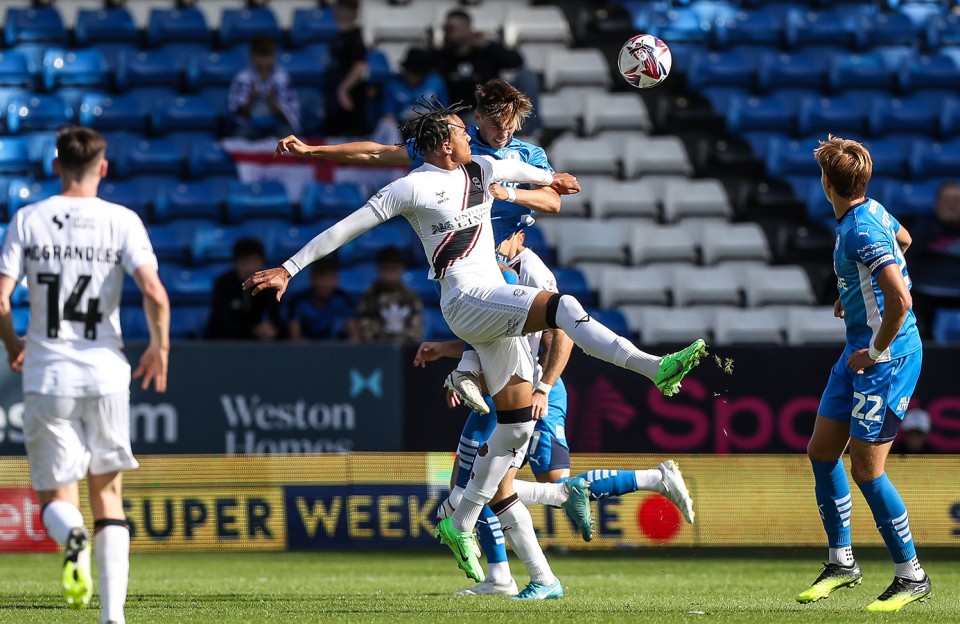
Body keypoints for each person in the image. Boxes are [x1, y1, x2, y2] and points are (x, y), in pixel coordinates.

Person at [245, 101, 706, 595]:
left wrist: (555, 180)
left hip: (488, 311)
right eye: (464, 132)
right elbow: (346, 228)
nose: (471, 137)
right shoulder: (412, 186)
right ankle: (655, 367)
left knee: (514, 430)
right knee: (563, 306)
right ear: (445, 144)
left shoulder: (480, 168)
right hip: (466, 300)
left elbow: (522, 169)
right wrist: (289, 268)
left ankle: (460, 522)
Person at [413, 227, 695, 596]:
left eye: (501, 231)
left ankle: (651, 480)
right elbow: (483, 329)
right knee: (484, 486)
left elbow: (559, 332)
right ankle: (507, 574)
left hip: (525, 387)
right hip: (500, 385)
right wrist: (456, 359)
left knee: (522, 484)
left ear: (519, 235)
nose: (492, 238)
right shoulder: (478, 262)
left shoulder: (528, 270)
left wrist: (543, 387)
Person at [275, 78, 574, 411]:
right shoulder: (453, 141)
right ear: (478, 118)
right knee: (513, 296)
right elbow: (379, 152)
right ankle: (470, 373)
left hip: (511, 252)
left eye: (511, 126)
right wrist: (312, 150)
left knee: (556, 315)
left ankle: (505, 387)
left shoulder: (528, 154)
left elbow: (553, 200)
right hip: (467, 262)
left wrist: (509, 193)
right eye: (497, 125)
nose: (504, 133)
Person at [0, 126, 170, 624]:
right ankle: (112, 618)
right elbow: (156, 294)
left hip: (48, 371)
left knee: (58, 496)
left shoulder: (28, 218)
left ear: (56, 167)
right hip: (106, 371)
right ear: (103, 167)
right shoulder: (122, 221)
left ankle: (71, 537)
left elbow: (0, 299)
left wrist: (15, 346)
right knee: (108, 495)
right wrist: (159, 349)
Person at [796, 135, 931, 612]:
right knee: (821, 451)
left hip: (885, 358)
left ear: (826, 183)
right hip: (860, 350)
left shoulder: (858, 230)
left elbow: (901, 301)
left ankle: (910, 573)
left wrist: (876, 350)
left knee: (867, 470)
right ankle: (841, 562)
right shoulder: (870, 212)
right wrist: (856, 289)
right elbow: (905, 240)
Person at [430, 9, 524, 111]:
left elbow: (516, 61)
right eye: (445, 29)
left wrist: (489, 45)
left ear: (466, 30)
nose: (446, 33)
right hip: (451, 113)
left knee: (527, 75)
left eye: (451, 29)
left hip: (484, 113)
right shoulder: (441, 56)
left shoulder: (485, 54)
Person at [905, 181, 960, 336]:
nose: (952, 206)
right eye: (947, 201)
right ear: (937, 204)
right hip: (924, 291)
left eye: (956, 201)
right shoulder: (918, 229)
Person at [206, 238, 282, 341]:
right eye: (244, 262)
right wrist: (252, 331)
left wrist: (270, 330)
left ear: (262, 263)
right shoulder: (223, 284)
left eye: (254, 262)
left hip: (258, 347)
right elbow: (220, 322)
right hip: (225, 344)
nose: (249, 268)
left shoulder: (269, 286)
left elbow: (276, 321)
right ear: (235, 263)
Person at [227, 36, 301, 139]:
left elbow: (289, 115)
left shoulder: (282, 77)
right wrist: (251, 97)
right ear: (252, 56)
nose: (264, 60)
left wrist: (273, 101)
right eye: (260, 55)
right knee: (240, 135)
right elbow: (238, 114)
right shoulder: (243, 77)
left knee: (289, 137)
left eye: (267, 55)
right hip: (251, 124)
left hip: (277, 124)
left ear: (274, 56)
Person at [357, 246, 422, 343]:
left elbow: (416, 330)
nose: (390, 274)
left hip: (406, 351)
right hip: (377, 350)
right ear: (379, 269)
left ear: (402, 269)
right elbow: (366, 330)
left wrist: (402, 341)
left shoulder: (410, 297)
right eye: (386, 268)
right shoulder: (370, 297)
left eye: (394, 269)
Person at [286, 254, 357, 341]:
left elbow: (354, 336)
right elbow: (295, 337)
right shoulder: (299, 301)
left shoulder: (342, 299)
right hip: (305, 351)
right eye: (322, 278)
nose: (326, 284)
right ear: (313, 278)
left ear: (336, 280)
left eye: (331, 278)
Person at [325, 0, 370, 136]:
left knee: (348, 135)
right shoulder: (339, 37)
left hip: (349, 95)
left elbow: (360, 67)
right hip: (335, 94)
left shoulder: (354, 37)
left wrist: (343, 90)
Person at [382, 47, 448, 123]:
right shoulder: (392, 84)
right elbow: (388, 116)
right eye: (411, 71)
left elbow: (445, 111)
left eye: (418, 73)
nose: (413, 77)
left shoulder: (436, 82)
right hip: (401, 128)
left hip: (431, 127)